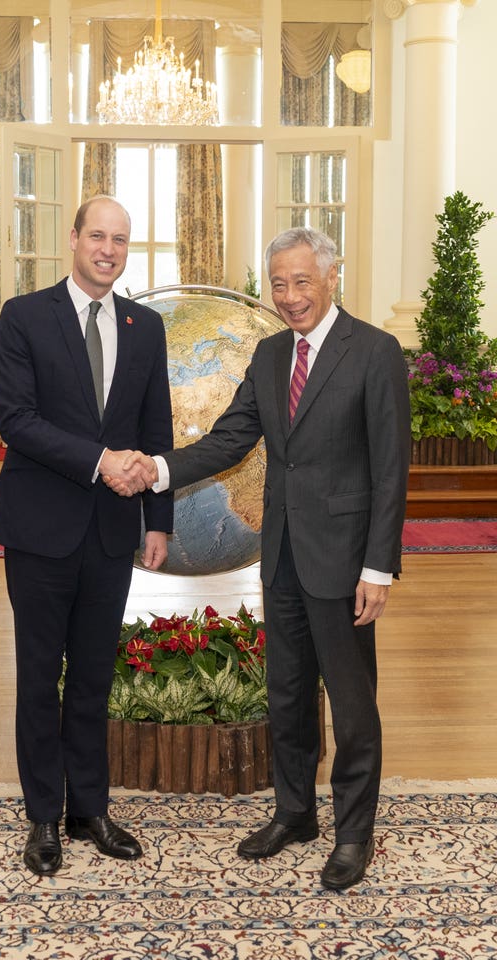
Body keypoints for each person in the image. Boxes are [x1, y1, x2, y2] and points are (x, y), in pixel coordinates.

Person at [109, 227, 411, 890]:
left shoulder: (376, 352)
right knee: (290, 694)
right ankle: (295, 813)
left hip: (344, 562)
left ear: (332, 277)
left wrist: (378, 567)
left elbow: (391, 470)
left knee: (354, 705)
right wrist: (157, 469)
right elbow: (229, 441)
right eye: (279, 282)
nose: (290, 295)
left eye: (303, 281)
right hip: (279, 557)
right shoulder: (272, 354)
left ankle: (354, 834)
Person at [0, 195, 174, 876]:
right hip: (40, 530)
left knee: (94, 677)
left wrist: (161, 519)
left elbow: (157, 429)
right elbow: (17, 420)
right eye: (97, 235)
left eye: (120, 240)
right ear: (73, 240)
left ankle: (88, 808)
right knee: (40, 678)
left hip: (111, 534)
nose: (108, 249)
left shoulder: (146, 326)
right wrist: (100, 462)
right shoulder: (24, 317)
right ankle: (42, 817)